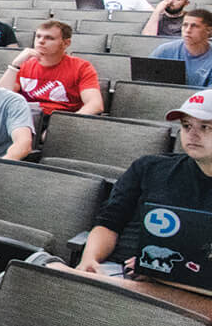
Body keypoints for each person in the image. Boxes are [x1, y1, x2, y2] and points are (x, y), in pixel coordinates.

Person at [56, 93, 212, 282]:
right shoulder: (149, 167)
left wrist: (161, 269)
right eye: (186, 126)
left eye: (205, 127)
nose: (192, 135)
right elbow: (109, 222)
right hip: (118, 273)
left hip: (186, 287)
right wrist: (90, 260)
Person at [0, 20, 104, 115]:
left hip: (59, 119)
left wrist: (66, 125)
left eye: (49, 38)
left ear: (66, 43)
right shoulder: (24, 64)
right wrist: (15, 65)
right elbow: (0, 97)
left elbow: (95, 104)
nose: (41, 41)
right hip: (25, 116)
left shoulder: (81, 67)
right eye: (38, 36)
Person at [149, 9, 212, 87]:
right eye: (185, 25)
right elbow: (147, 83)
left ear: (209, 30)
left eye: (194, 26)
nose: (188, 30)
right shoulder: (164, 51)